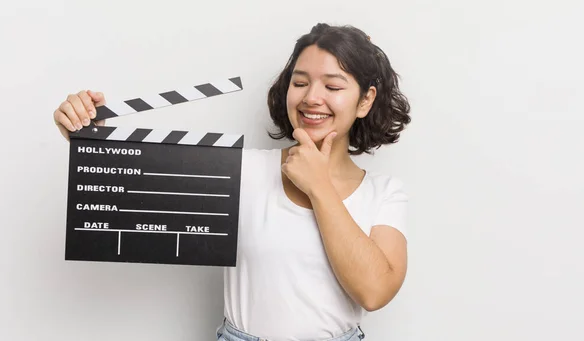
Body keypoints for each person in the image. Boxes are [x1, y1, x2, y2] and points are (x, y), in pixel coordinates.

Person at [53, 23, 411, 341]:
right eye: (299, 82)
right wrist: (90, 135)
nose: (310, 97)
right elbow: (138, 185)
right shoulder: (244, 169)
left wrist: (318, 186)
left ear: (365, 100)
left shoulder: (384, 193)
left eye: (333, 85)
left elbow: (374, 292)